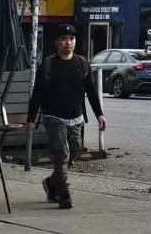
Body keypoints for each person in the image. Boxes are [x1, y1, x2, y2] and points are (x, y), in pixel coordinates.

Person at [23, 24, 106, 209]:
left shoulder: (82, 63)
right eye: (63, 39)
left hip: (75, 116)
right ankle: (64, 193)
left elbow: (91, 91)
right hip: (53, 115)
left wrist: (99, 114)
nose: (68, 43)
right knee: (61, 151)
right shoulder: (48, 64)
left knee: (74, 150)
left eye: (71, 39)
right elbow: (37, 93)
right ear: (57, 42)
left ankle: (52, 182)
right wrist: (31, 119)